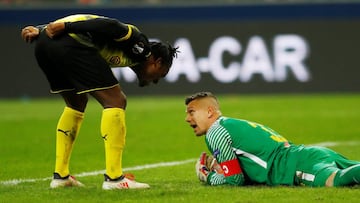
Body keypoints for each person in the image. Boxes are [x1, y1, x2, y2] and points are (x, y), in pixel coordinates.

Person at [21, 14, 178, 190]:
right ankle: (114, 179)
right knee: (117, 100)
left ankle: (61, 176)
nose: (156, 81)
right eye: (161, 74)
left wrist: (42, 30)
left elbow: (85, 22)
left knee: (76, 103)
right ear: (157, 62)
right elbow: (110, 24)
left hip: (45, 44)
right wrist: (64, 27)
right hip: (68, 41)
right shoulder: (140, 45)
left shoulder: (129, 56)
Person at [184, 91, 360, 187]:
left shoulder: (215, 132)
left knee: (335, 181)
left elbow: (234, 180)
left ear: (209, 111)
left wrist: (209, 177)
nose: (187, 119)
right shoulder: (231, 124)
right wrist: (219, 167)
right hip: (309, 154)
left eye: (192, 112)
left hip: (294, 167)